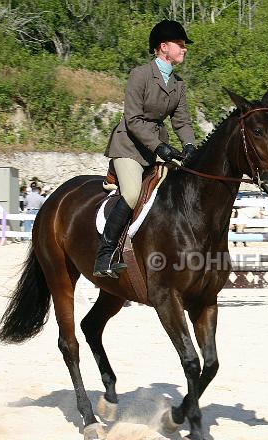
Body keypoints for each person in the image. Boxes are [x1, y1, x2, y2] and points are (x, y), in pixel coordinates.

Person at [94, 19, 197, 278]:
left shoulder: (178, 83)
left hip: (156, 147)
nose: (184, 49)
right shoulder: (139, 75)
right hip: (129, 146)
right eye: (180, 44)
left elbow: (181, 120)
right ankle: (105, 254)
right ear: (164, 47)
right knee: (131, 194)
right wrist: (160, 147)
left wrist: (189, 145)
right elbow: (133, 119)